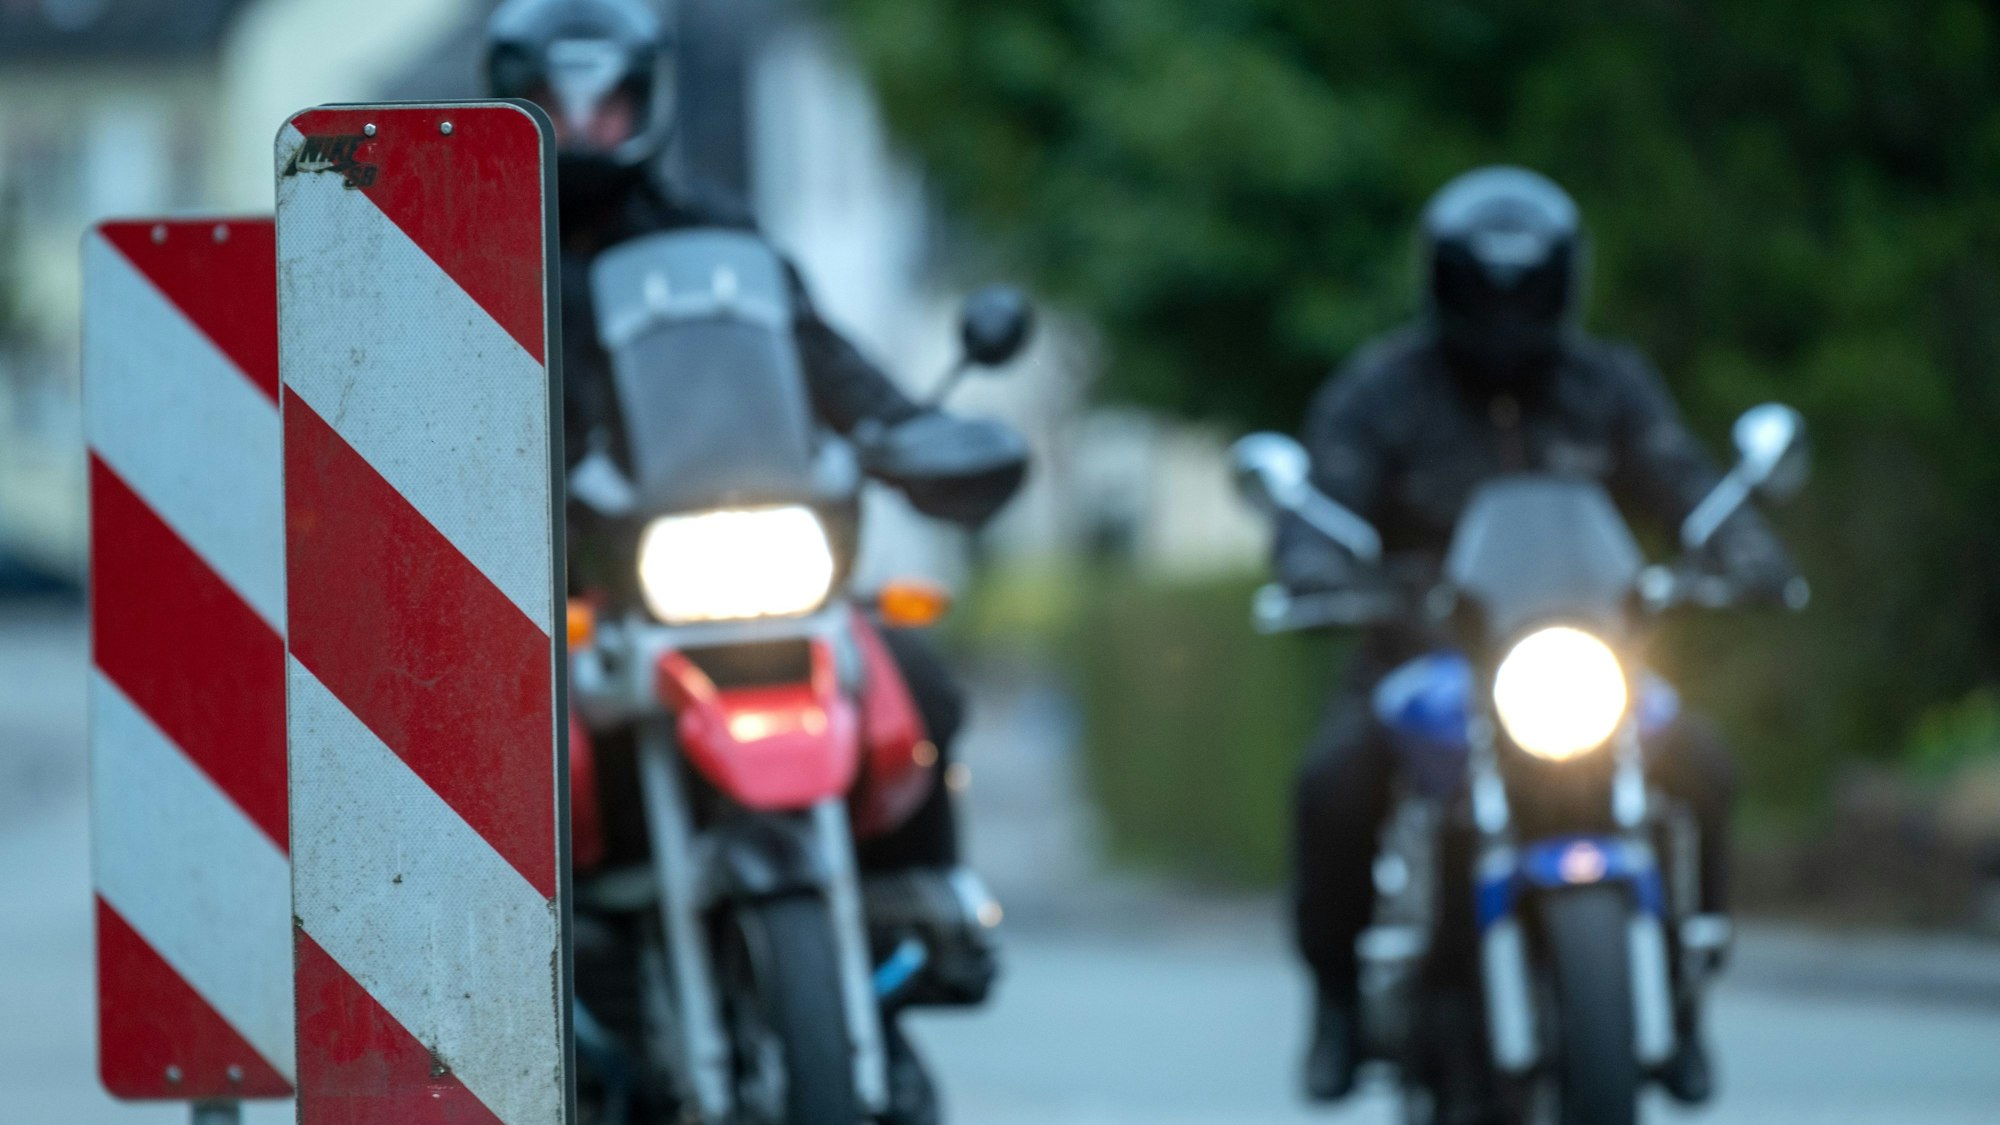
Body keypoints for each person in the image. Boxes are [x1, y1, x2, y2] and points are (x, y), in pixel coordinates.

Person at [486, 0, 996, 1113]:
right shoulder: (467, 249)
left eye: (607, 99)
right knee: (491, 750)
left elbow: (822, 361)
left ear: (647, 100)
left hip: (731, 560)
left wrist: (913, 431)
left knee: (916, 679)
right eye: (556, 101)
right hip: (563, 588)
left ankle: (905, 945)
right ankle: (514, 994)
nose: (583, 125)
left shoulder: (714, 238)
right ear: (512, 100)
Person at [1277, 166, 1797, 1106]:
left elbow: (1683, 478)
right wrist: (1314, 559)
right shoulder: (1384, 391)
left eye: (1524, 288)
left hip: (1582, 658)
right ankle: (1339, 1001)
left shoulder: (1608, 385)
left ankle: (1684, 995)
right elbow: (1323, 497)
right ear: (1445, 281)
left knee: (1704, 764)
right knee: (1333, 782)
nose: (1505, 310)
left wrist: (1743, 545)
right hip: (1425, 658)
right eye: (1485, 288)